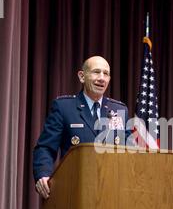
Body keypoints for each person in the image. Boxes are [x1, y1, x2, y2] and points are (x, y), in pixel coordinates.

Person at [33, 55, 129, 199]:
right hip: (74, 189)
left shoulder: (119, 110)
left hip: (111, 192)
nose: (102, 78)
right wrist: (43, 174)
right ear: (82, 76)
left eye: (106, 73)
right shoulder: (64, 107)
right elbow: (45, 147)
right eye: (96, 72)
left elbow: (129, 150)